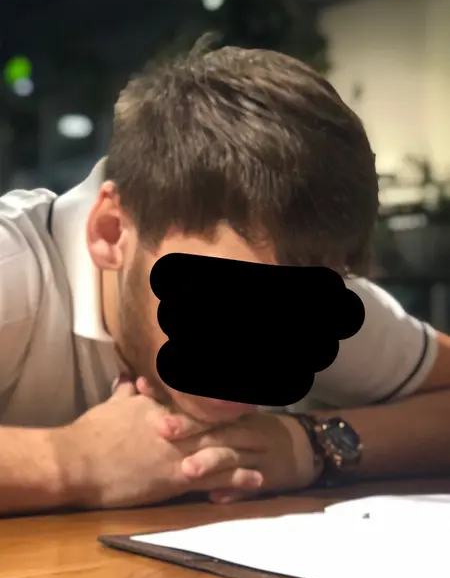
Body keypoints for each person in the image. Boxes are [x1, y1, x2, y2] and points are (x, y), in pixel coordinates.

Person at [1, 41, 450, 516]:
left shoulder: (313, 300)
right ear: (111, 232)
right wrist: (72, 463)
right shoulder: (16, 267)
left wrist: (312, 445)